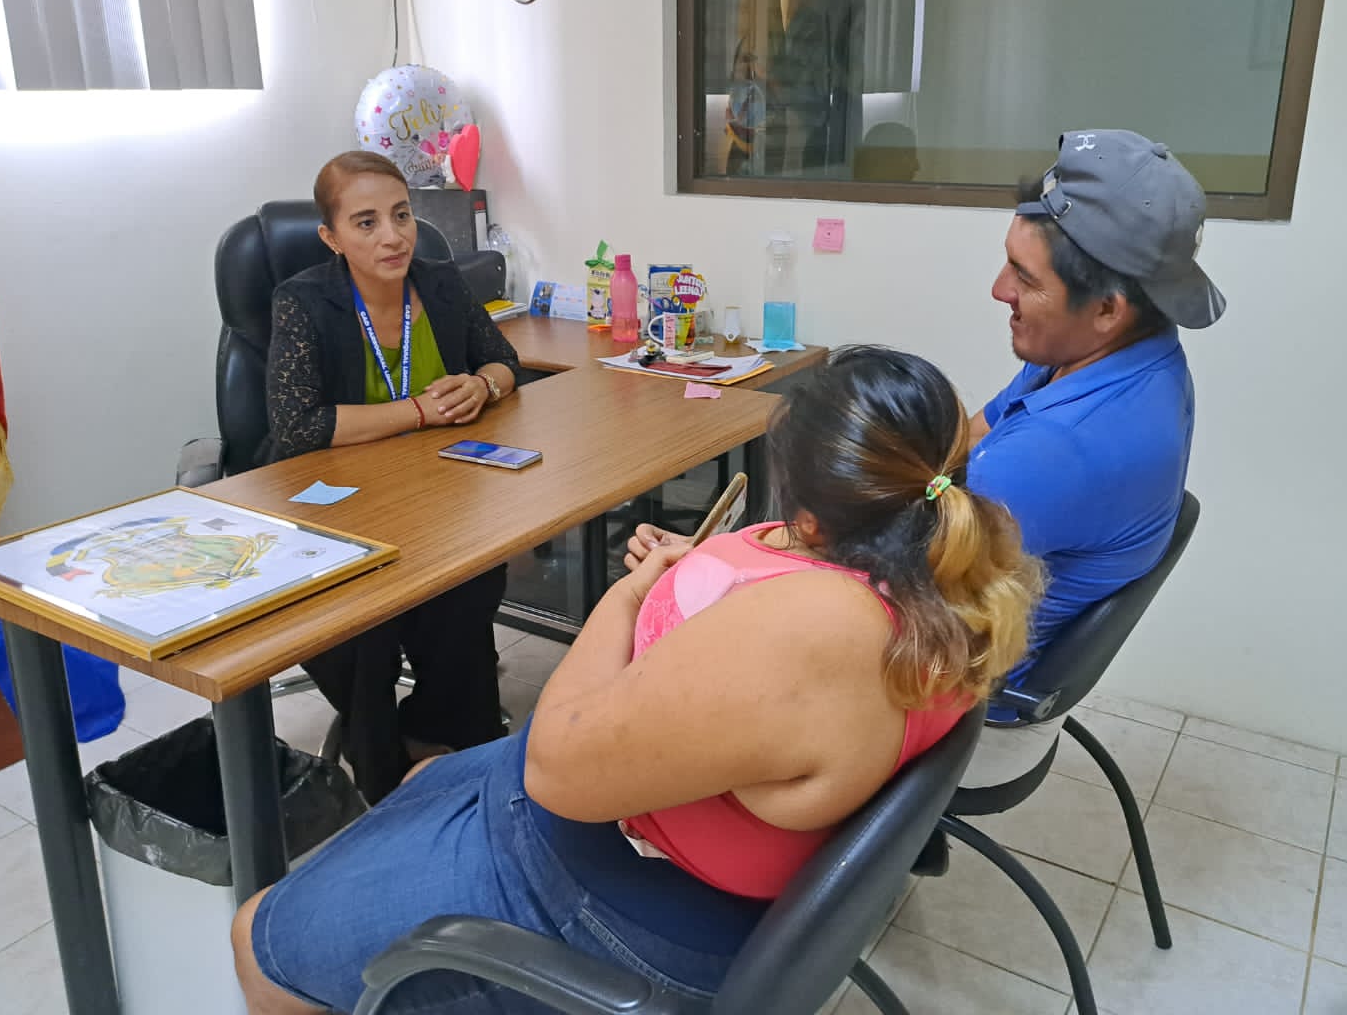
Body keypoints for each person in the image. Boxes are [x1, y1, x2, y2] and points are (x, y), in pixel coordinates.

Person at [232, 346, 1041, 1014]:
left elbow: (552, 770)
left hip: (637, 908)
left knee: (261, 938)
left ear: (812, 518)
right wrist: (709, 573)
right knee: (425, 778)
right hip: (712, 879)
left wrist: (626, 599)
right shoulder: (953, 576)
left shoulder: (814, 630)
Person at [632, 128, 1223, 787]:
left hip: (964, 703)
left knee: (670, 680)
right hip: (954, 627)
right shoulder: (1113, 356)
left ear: (1108, 309)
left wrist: (717, 568)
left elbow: (859, 594)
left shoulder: (1060, 451)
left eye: (1025, 278)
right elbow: (960, 442)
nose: (999, 289)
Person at [261, 150, 519, 803]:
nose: (393, 236)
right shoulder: (303, 301)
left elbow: (504, 359)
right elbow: (298, 426)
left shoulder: (441, 283)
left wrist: (482, 386)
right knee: (368, 621)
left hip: (431, 489)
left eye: (402, 215)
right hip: (332, 502)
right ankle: (381, 774)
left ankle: (451, 739)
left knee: (472, 581)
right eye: (367, 222)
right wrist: (419, 412)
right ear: (331, 237)